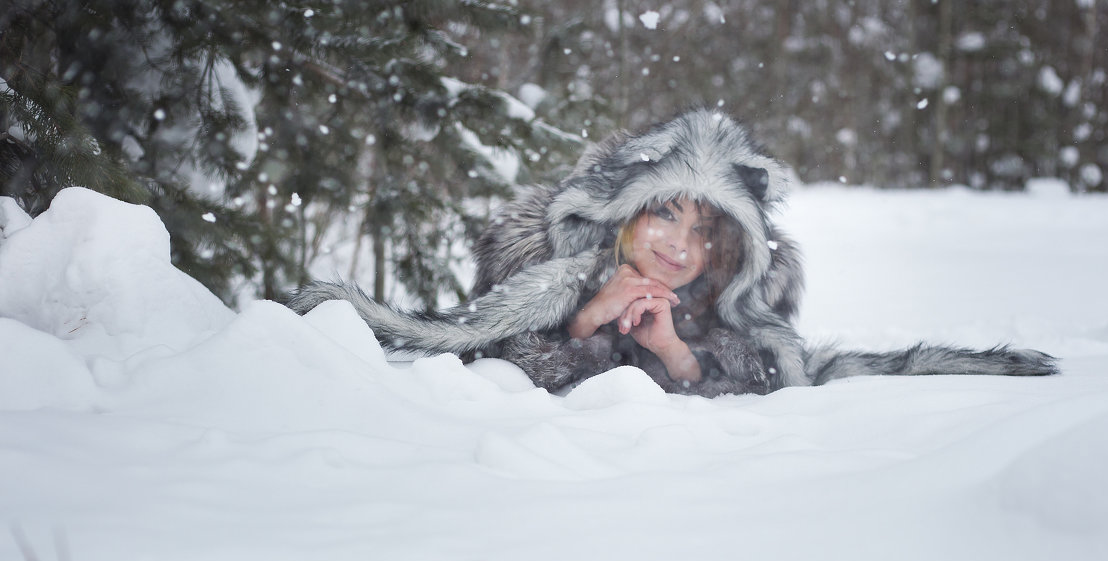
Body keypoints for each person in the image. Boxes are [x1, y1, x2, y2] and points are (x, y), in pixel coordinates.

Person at [288, 110, 1056, 395]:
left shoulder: (727, 307)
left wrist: (676, 357)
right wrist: (587, 322)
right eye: (664, 215)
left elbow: (763, 385)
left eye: (703, 232)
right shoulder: (547, 265)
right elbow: (482, 363)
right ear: (624, 214)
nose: (678, 246)